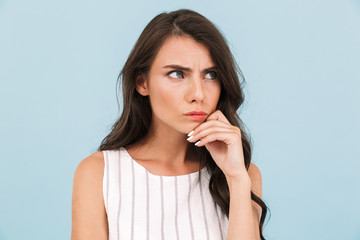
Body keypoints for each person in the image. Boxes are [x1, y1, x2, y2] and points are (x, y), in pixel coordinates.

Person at [71, 8, 268, 240]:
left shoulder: (243, 174)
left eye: (211, 75)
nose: (198, 94)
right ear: (142, 83)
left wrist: (236, 178)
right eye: (177, 74)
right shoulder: (99, 173)